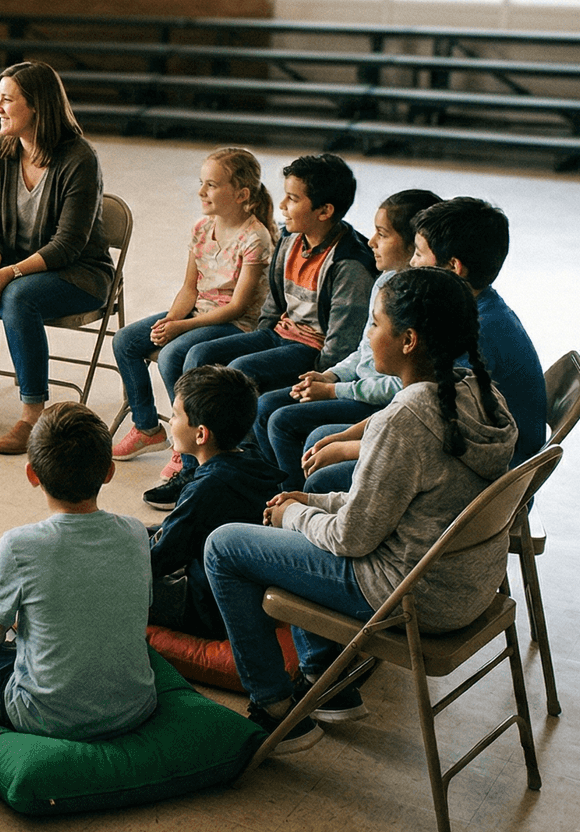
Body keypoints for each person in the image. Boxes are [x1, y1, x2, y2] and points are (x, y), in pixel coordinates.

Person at [203, 267, 517, 754]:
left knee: (224, 546)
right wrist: (311, 501)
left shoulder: (406, 418)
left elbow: (352, 538)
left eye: (374, 323)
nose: (367, 335)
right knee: (307, 513)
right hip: (467, 585)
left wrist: (294, 517)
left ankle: (275, 708)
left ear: (409, 340)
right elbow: (398, 507)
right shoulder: (484, 396)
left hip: (410, 597)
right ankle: (324, 680)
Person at [0, 403, 158, 740]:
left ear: (32, 474)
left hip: (45, 715)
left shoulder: (20, 544)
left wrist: (16, 622)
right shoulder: (135, 533)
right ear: (109, 471)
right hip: (135, 707)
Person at [163, 154, 376, 505]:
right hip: (279, 333)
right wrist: (257, 341)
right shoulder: (291, 240)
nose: (283, 206)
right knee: (200, 354)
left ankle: (243, 470)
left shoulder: (349, 263)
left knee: (241, 371)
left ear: (324, 211)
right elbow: (273, 309)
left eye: (293, 199)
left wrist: (319, 378)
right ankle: (195, 467)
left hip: (313, 348)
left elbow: (340, 344)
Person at [297, 197, 547, 494]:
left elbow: (430, 430)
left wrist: (347, 448)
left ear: (453, 267)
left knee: (324, 473)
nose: (411, 263)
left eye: (418, 254)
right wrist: (350, 436)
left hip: (485, 481)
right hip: (460, 449)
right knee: (325, 438)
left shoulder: (472, 332)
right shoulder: (475, 306)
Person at [0, 62, 111, 454]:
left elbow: (68, 245)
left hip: (79, 272)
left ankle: (33, 415)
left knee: (19, 297)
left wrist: (9, 274)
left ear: (36, 107)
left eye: (6, 100)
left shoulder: (79, 158)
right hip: (12, 263)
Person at [253, 188, 442, 491]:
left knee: (282, 422)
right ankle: (273, 491)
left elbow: (402, 387)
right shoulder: (385, 280)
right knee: (267, 406)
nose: (371, 242)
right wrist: (331, 374)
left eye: (383, 234)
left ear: (413, 245)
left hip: (378, 400)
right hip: (357, 386)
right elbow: (364, 348)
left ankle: (294, 497)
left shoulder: (419, 302)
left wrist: (334, 390)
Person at [110, 146, 275, 468]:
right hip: (198, 313)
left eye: (211, 185)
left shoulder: (255, 237)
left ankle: (182, 445)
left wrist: (181, 327)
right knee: (126, 341)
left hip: (234, 322)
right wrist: (170, 321)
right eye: (202, 182)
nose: (201, 191)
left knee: (173, 354)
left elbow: (239, 306)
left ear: (241, 194)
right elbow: (190, 288)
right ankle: (147, 427)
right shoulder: (201, 228)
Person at [145, 366, 282, 642]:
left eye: (174, 415)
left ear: (201, 434)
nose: (170, 422)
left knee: (105, 580)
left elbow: (156, 561)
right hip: (242, 589)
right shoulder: (254, 460)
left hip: (206, 608)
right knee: (139, 530)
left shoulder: (205, 490)